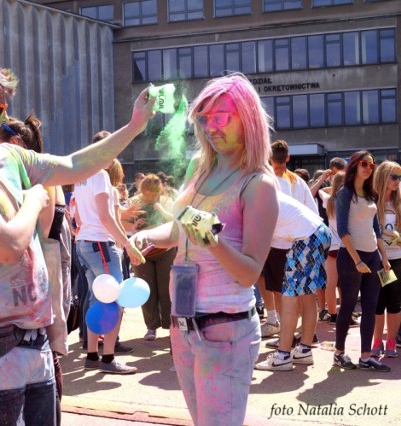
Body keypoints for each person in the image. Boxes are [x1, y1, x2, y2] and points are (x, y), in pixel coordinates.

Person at [0, 51, 152, 425]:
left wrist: (134, 126)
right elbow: (7, 246)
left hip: (30, 339)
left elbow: (75, 164)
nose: (5, 118)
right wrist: (34, 199)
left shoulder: (9, 157)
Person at [130, 73, 278, 425]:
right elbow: (182, 231)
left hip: (224, 328)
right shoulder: (201, 169)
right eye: (203, 118)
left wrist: (210, 238)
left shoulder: (258, 184)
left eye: (221, 117)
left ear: (248, 118)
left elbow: (248, 273)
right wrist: (147, 235)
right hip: (184, 325)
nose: (211, 127)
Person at [0, 113, 71, 425]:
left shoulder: (39, 179)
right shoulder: (32, 174)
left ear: (15, 144)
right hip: (32, 283)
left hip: (41, 283)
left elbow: (37, 237)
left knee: (46, 360)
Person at [75, 130, 139, 375]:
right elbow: (105, 217)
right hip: (100, 243)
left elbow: (81, 215)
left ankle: (93, 354)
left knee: (97, 299)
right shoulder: (100, 175)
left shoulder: (82, 174)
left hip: (86, 243)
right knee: (116, 301)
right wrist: (127, 243)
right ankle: (108, 357)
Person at [254, 192, 330, 371]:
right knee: (307, 295)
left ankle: (283, 356)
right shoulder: (262, 190)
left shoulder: (254, 197)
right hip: (317, 232)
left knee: (289, 295)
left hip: (306, 237)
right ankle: (303, 350)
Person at [333, 151, 391, 372]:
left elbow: (376, 228)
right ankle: (339, 353)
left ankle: (366, 357)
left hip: (372, 256)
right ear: (355, 166)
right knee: (347, 305)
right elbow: (342, 231)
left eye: (372, 165)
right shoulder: (344, 193)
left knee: (370, 306)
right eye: (365, 164)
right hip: (351, 256)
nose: (369, 168)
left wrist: (383, 257)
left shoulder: (371, 194)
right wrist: (357, 261)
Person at [127, 173, 176, 341]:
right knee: (146, 289)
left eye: (153, 194)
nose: (150, 197)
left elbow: (176, 222)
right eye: (147, 194)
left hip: (165, 251)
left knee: (167, 290)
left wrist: (162, 211)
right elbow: (123, 223)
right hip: (142, 252)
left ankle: (171, 326)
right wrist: (134, 226)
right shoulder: (134, 202)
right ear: (142, 190)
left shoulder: (166, 201)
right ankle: (151, 326)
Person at [371, 161, 401, 358]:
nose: (397, 181)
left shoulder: (399, 203)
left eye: (399, 177)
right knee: (376, 303)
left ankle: (391, 341)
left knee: (394, 302)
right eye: (394, 176)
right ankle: (376, 341)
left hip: (396, 259)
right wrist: (384, 233)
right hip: (376, 259)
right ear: (383, 177)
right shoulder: (372, 201)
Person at [318, 172, 347, 324]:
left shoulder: (329, 200)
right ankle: (344, 314)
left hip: (332, 246)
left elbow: (321, 191)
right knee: (346, 284)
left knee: (331, 283)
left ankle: (333, 315)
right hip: (347, 246)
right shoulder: (348, 200)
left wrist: (333, 186)